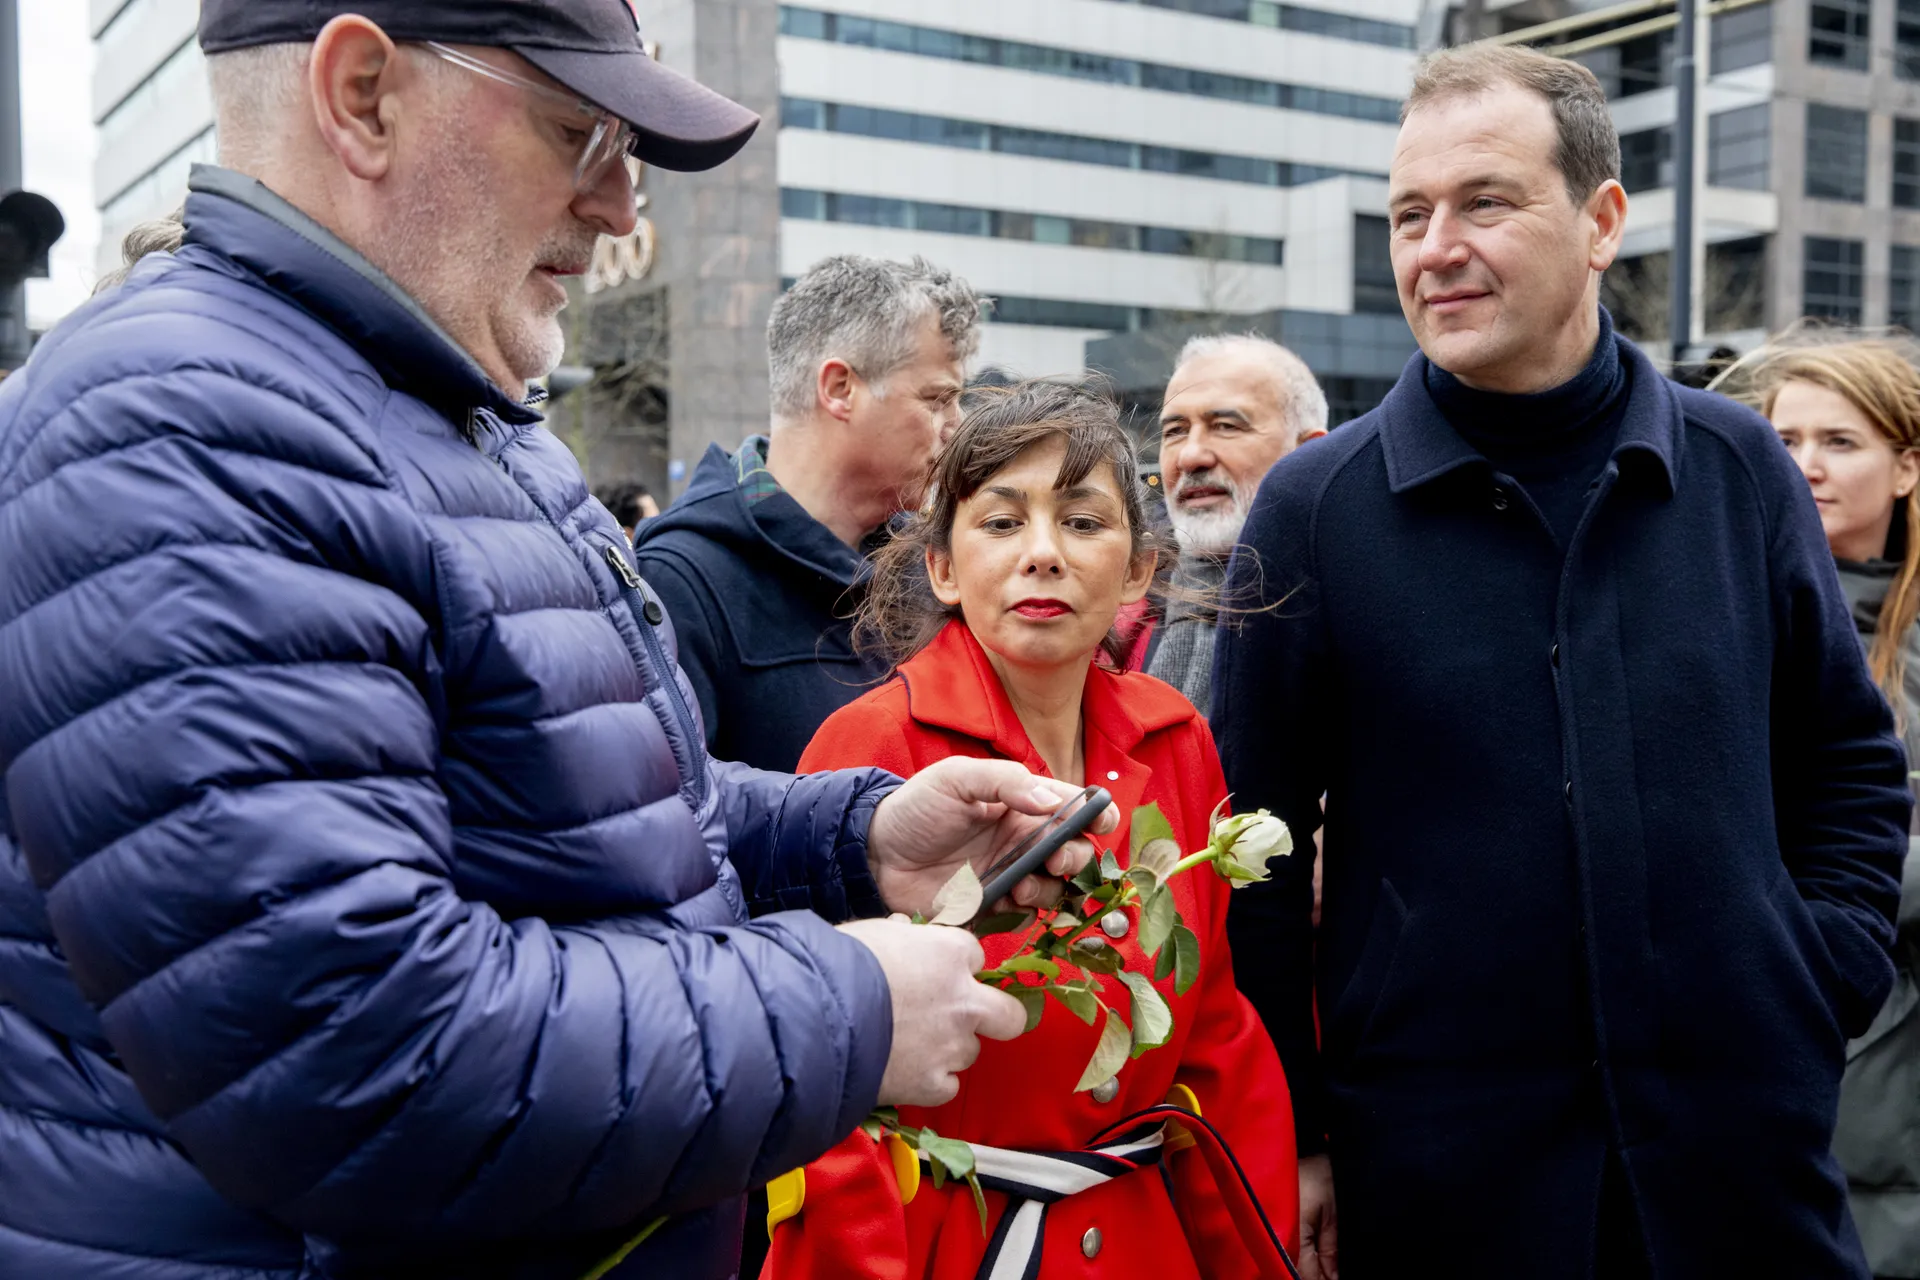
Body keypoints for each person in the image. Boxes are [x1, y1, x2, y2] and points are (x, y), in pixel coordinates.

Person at [0, 5, 1112, 1278]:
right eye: (579, 131)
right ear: (362, 94)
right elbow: (352, 1046)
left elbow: (563, 809)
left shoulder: (441, 406)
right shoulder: (190, 429)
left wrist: (852, 839)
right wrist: (849, 1005)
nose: (622, 203)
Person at [1213, 42, 1911, 1280]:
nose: (1436, 247)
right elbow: (1247, 855)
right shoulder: (1315, 510)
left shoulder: (1741, 468)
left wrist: (1812, 976)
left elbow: (1846, 759)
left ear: (1601, 223)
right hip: (1444, 1191)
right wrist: (1305, 1133)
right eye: (1409, 214)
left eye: (1485, 201)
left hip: (1742, 1172)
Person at [762, 381, 1299, 1279]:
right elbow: (829, 1090)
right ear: (940, 565)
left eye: (1084, 523)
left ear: (1137, 569)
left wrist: (1254, 1252)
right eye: (1002, 523)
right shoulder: (869, 752)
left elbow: (1211, 1037)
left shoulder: (1176, 735)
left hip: (1145, 1242)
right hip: (945, 1240)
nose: (1043, 554)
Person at [634, 255, 978, 771]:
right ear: (840, 389)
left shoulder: (930, 564)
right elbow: (678, 810)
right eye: (937, 399)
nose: (957, 424)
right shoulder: (680, 577)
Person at [1760, 337, 1920, 1280]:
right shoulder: (1722, 621)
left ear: (1907, 466)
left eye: (1838, 441)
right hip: (1779, 1070)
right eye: (1782, 440)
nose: (1804, 466)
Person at [1145, 333, 1328, 711]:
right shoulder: (1112, 612)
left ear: (1309, 451)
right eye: (1174, 432)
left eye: (1226, 425)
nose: (1190, 456)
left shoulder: (1358, 612)